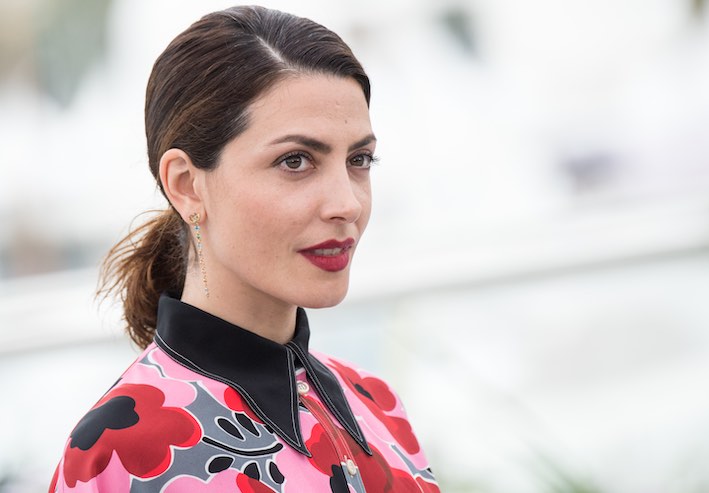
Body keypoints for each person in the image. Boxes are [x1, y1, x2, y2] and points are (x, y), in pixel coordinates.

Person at [48, 5, 438, 493]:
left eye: (359, 159)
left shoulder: (377, 404)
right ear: (187, 185)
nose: (347, 204)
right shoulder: (118, 455)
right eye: (295, 161)